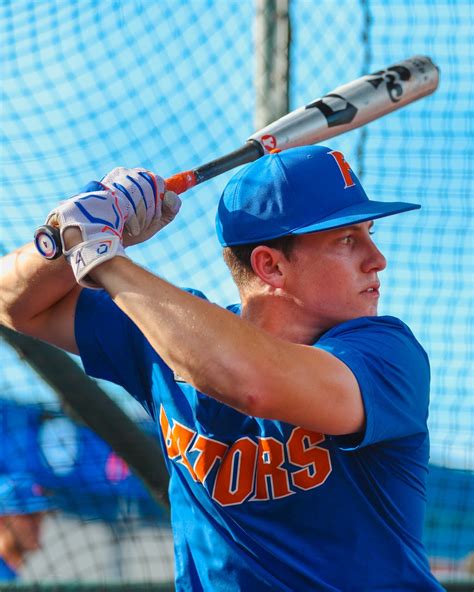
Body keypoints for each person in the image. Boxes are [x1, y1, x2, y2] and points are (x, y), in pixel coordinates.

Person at [0, 145, 444, 591]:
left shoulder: (384, 352)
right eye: (348, 239)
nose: (377, 258)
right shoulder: (169, 332)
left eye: (368, 233)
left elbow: (250, 381)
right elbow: (13, 305)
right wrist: (63, 236)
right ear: (270, 265)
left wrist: (104, 258)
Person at [0, 474, 55, 580]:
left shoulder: (8, 573)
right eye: (29, 516)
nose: (37, 524)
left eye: (40, 515)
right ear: (1, 520)